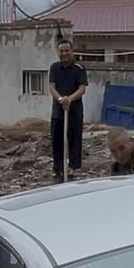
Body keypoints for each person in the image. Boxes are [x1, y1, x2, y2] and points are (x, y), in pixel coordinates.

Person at [49, 39, 88, 182]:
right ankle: (58, 168)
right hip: (58, 111)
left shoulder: (79, 68)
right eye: (61, 51)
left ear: (72, 52)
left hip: (75, 110)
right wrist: (60, 99)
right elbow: (51, 87)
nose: (64, 53)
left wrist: (70, 99)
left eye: (67, 50)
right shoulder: (54, 68)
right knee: (57, 139)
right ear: (58, 52)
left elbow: (82, 88)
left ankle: (73, 167)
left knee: (74, 138)